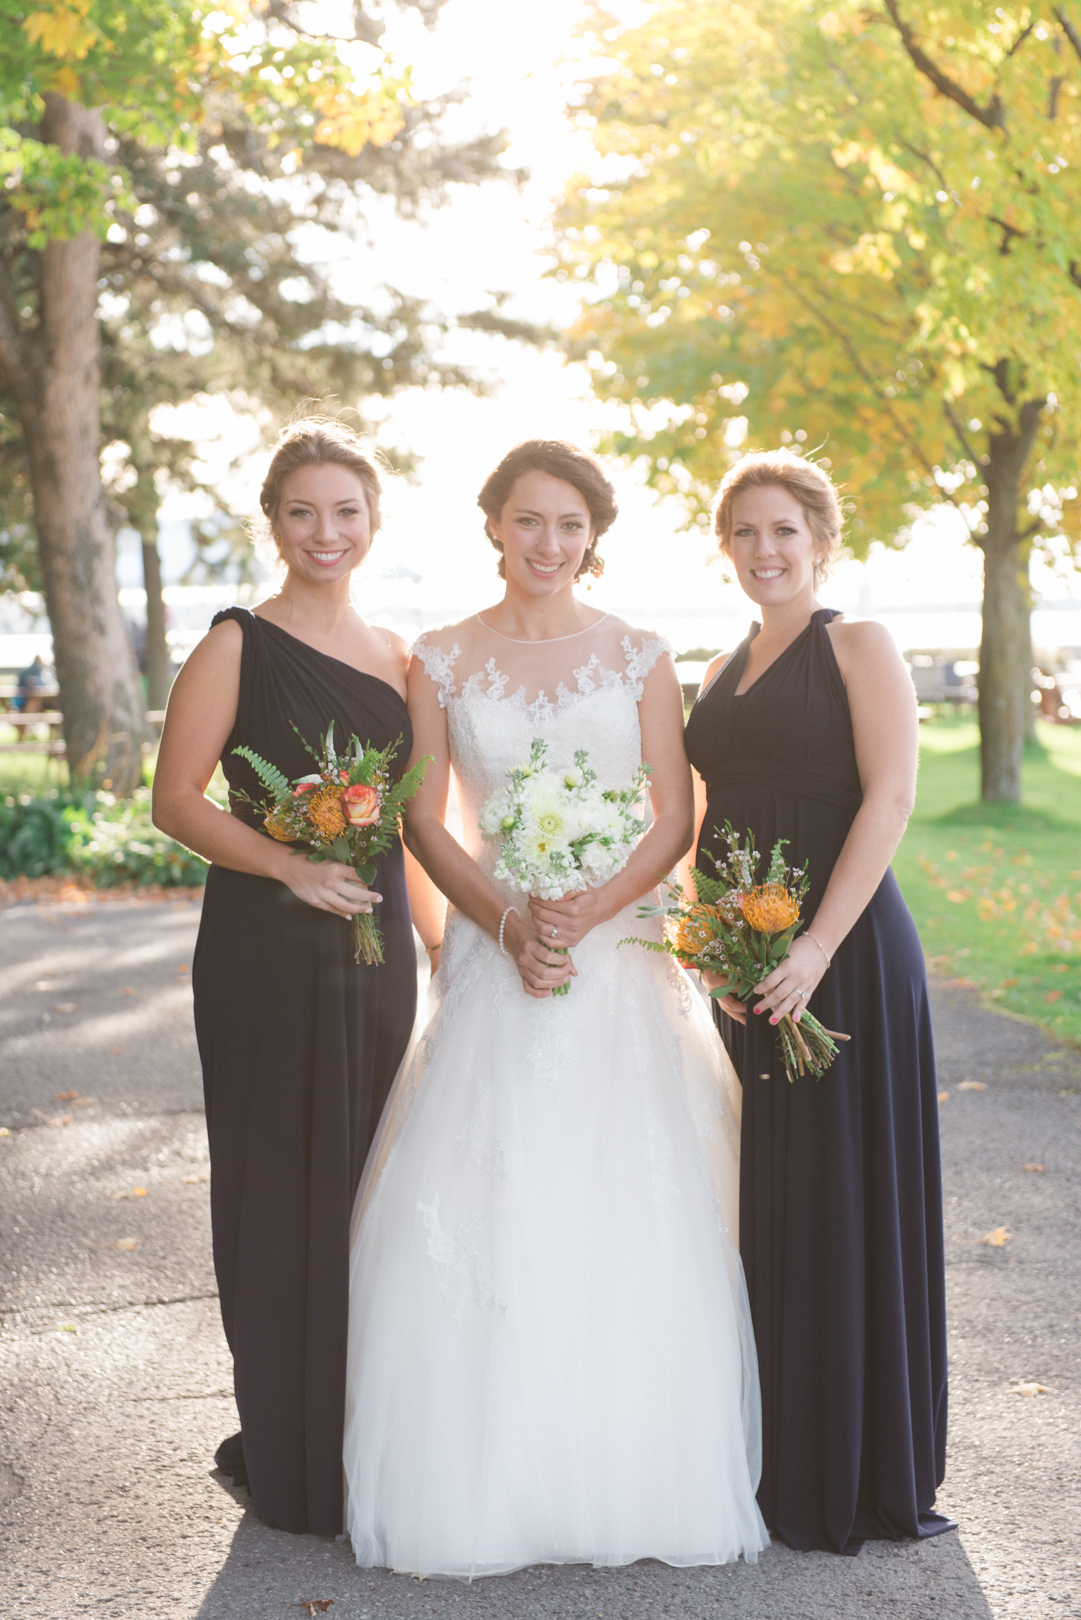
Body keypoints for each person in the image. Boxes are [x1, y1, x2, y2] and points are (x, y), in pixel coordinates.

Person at [342, 439, 768, 1578]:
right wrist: (503, 918)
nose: (548, 544)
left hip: (617, 951)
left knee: (627, 1196)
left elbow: (671, 817)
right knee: (489, 1192)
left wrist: (584, 913)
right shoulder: (436, 657)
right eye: (528, 521)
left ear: (595, 535)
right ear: (493, 526)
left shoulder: (640, 654)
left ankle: (629, 1470)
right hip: (497, 952)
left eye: (569, 525)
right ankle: (487, 1480)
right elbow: (425, 818)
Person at [153, 418, 440, 1534]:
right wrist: (287, 864)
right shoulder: (234, 642)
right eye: (303, 512)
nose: (327, 532)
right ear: (273, 523)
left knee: (370, 1189)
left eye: (347, 512)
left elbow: (418, 823)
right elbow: (177, 800)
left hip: (374, 964)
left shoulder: (403, 658)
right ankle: (286, 1451)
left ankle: (360, 1439)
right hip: (262, 957)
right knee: (274, 1194)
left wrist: (451, 942)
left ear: (373, 523)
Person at [684, 449, 950, 1555]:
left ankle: (856, 1467)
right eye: (743, 533)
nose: (763, 551)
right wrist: (712, 950)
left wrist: (814, 950)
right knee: (777, 1199)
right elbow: (705, 817)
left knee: (842, 1193)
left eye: (783, 530)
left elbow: (889, 795)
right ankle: (784, 1453)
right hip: (747, 966)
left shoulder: (859, 644)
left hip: (839, 954)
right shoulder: (717, 667)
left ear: (821, 540)